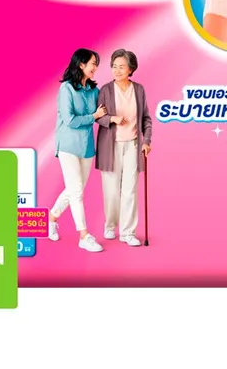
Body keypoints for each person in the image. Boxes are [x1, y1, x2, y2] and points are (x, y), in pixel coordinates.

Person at [49, 48, 107, 252]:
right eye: (93, 63)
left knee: (76, 189)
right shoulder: (66, 89)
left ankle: (51, 218)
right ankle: (84, 235)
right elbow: (70, 120)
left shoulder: (93, 90)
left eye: (96, 64)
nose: (95, 68)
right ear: (81, 65)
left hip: (86, 146)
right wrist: (93, 116)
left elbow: (104, 111)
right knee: (76, 191)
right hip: (68, 145)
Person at [95, 48, 152, 246]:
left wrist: (146, 141)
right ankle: (110, 226)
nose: (117, 70)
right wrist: (112, 118)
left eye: (121, 67)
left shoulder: (139, 90)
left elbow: (146, 119)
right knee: (111, 191)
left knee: (130, 191)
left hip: (133, 146)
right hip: (110, 147)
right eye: (114, 66)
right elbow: (99, 117)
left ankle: (128, 232)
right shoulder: (105, 90)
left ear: (131, 69)